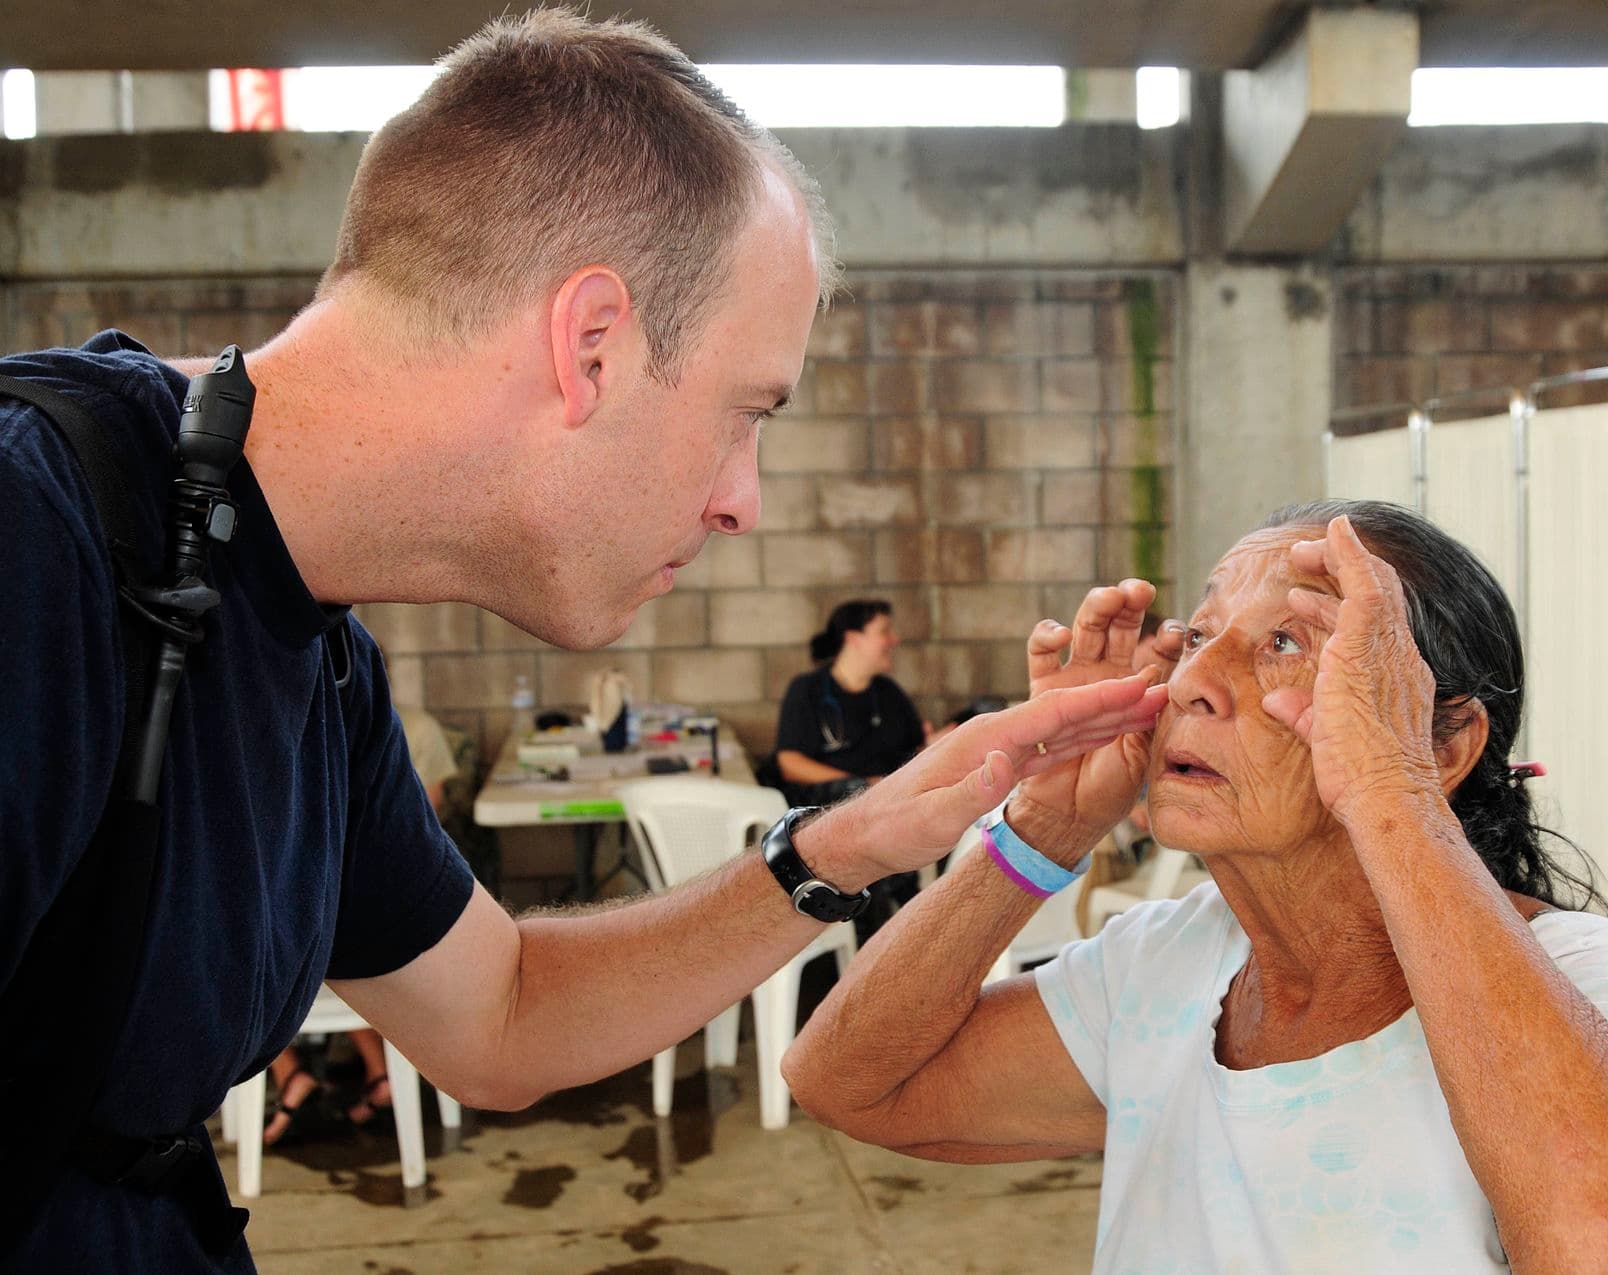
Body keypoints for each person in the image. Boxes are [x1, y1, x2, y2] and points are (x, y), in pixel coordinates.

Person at [0, 11, 1167, 1271]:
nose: (743, 500)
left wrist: (856, 840)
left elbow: (500, 1019)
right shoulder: (33, 542)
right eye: (746, 412)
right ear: (591, 343)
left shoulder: (316, 655)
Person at [784, 503, 1608, 1273]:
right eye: (1198, 634)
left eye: (1285, 641)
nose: (1193, 678)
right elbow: (847, 1081)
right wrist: (1043, 827)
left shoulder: (1578, 975)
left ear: (1444, 747)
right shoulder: (1163, 965)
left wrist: (1390, 792)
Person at [260, 706, 461, 1145]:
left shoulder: (311, 728)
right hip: (348, 904)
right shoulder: (306, 727)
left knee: (301, 949)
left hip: (370, 901)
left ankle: (302, 1074)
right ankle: (372, 1074)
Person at [773, 600, 924, 806]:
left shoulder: (889, 692)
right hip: (830, 811)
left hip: (889, 806)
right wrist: (860, 785)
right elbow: (790, 764)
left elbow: (915, 747)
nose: (894, 639)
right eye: (884, 631)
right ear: (853, 638)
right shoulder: (807, 690)